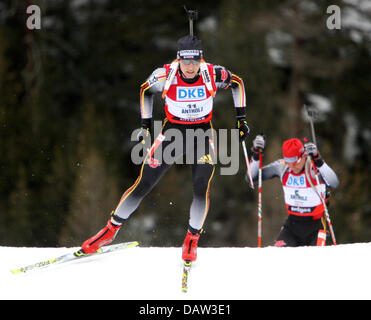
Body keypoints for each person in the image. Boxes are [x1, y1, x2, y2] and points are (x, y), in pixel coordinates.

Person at [78, 35, 249, 262]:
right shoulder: (164, 75)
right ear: (178, 59)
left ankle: (191, 240)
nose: (190, 67)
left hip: (202, 134)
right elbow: (145, 91)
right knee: (143, 183)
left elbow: (237, 83)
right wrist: (146, 126)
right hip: (173, 133)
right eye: (185, 62)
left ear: (201, 59)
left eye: (194, 62)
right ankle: (109, 231)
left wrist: (241, 120)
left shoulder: (213, 73)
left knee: (200, 188)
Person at [249, 135, 339, 247]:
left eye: (295, 161)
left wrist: (319, 161)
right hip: (292, 226)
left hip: (315, 226)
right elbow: (251, 178)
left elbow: (334, 182)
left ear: (304, 155)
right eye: (288, 161)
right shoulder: (282, 167)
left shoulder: (313, 168)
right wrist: (256, 156)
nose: (292, 166)